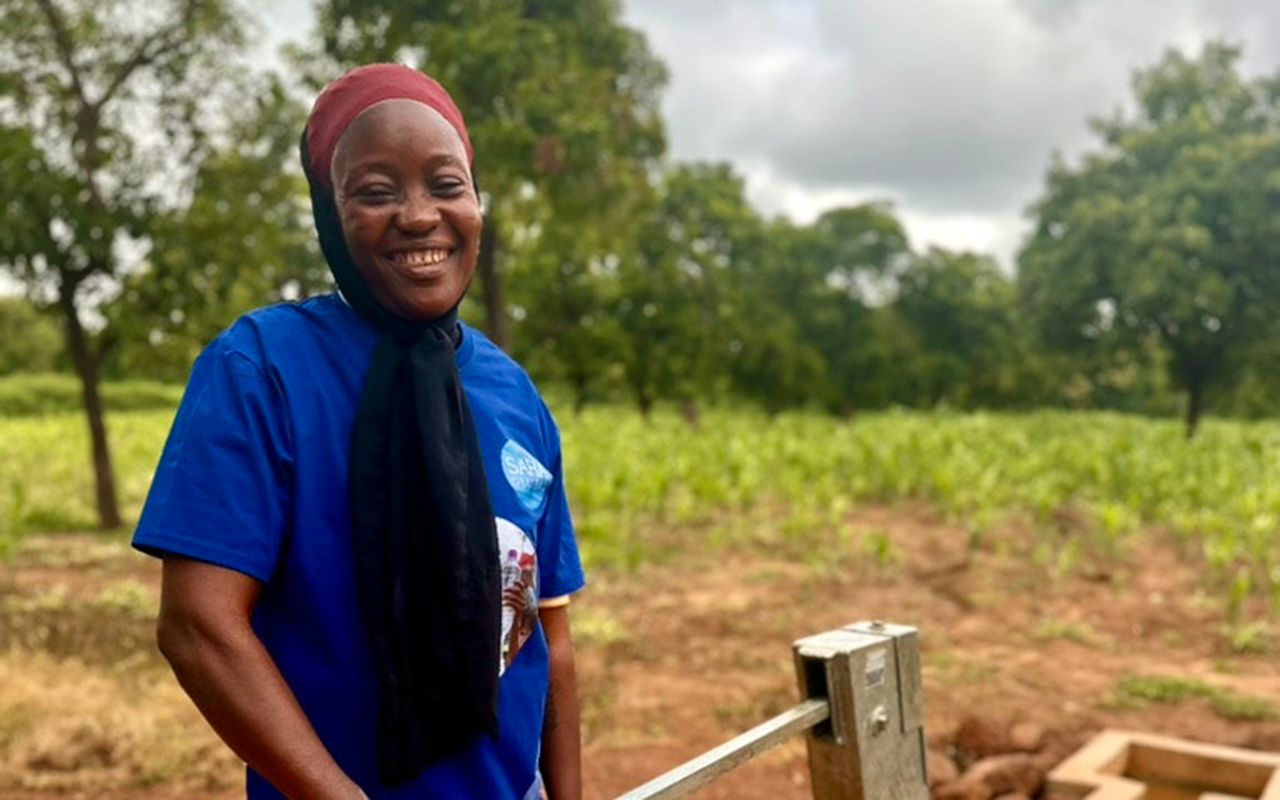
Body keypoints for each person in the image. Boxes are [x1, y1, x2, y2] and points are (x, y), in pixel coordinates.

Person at [132, 63, 585, 800]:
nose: (418, 216)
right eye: (376, 192)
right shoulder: (261, 370)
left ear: (476, 202)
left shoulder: (512, 393)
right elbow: (198, 627)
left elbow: (550, 642)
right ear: (327, 214)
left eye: (447, 184)